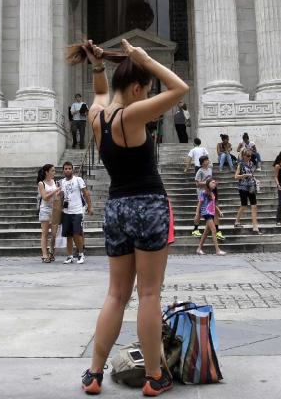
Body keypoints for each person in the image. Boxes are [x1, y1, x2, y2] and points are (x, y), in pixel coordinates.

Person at [68, 37, 188, 396]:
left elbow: (101, 92)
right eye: (144, 90)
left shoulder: (97, 116)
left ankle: (93, 373)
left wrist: (97, 65)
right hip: (149, 204)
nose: (146, 95)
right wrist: (146, 58)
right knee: (149, 293)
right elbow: (180, 88)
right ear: (136, 88)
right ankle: (155, 376)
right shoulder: (133, 115)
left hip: (116, 207)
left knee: (116, 294)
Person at [59, 161, 93, 264]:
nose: (68, 170)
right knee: (68, 235)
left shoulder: (78, 180)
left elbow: (85, 193)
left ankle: (81, 254)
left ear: (72, 170)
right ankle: (69, 256)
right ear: (63, 170)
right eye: (66, 168)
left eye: (69, 168)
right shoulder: (61, 182)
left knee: (76, 233)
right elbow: (61, 197)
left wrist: (90, 206)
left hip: (77, 211)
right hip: (66, 211)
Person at [191, 156, 224, 242]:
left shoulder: (209, 170)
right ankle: (195, 229)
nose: (208, 161)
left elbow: (210, 180)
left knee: (215, 211)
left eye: (208, 160)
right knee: (199, 212)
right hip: (202, 194)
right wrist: (206, 182)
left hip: (210, 193)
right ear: (202, 162)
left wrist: (213, 184)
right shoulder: (200, 171)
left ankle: (217, 230)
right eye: (206, 160)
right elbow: (197, 184)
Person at [234, 149, 261, 234]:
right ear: (243, 156)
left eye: (250, 156)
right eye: (248, 156)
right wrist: (244, 175)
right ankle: (237, 221)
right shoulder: (240, 165)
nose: (250, 157)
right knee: (244, 205)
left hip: (251, 187)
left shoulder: (251, 164)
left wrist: (256, 180)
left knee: (254, 206)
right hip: (243, 187)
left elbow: (252, 174)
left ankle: (255, 226)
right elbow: (236, 176)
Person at [196, 178, 225, 256]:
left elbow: (214, 204)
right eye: (212, 182)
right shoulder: (204, 192)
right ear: (208, 184)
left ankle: (199, 249)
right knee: (214, 230)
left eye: (215, 183)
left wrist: (219, 211)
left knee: (206, 232)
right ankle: (217, 250)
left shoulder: (212, 193)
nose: (214, 184)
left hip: (211, 213)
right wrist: (197, 214)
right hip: (206, 213)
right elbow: (200, 203)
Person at [38, 164, 59, 262]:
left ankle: (51, 252)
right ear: (47, 172)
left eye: (54, 171)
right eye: (53, 170)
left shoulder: (54, 182)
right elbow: (45, 197)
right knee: (45, 233)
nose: (54, 172)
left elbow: (56, 196)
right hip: (45, 210)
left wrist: (59, 193)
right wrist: (55, 191)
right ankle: (44, 254)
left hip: (54, 209)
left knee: (54, 234)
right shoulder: (41, 183)